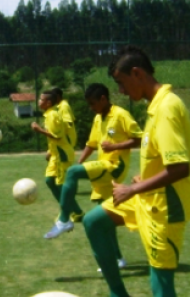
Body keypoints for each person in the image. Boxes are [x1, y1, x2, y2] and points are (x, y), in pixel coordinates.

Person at [83, 46, 190, 297]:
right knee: (94, 221)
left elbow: (179, 167)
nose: (119, 92)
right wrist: (140, 182)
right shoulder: (154, 107)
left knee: (160, 283)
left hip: (166, 206)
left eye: (120, 82)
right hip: (148, 196)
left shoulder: (168, 108)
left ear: (137, 74)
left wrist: (134, 189)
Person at [44, 83, 143, 273]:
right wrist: (80, 162)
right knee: (104, 219)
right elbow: (91, 144)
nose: (91, 108)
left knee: (71, 174)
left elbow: (139, 138)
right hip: (103, 173)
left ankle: (64, 219)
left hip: (114, 167)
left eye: (93, 103)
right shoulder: (99, 118)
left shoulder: (121, 115)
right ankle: (119, 259)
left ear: (103, 99)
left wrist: (114, 147)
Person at [31, 90, 74, 226]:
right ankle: (66, 209)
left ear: (48, 102)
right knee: (49, 180)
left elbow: (58, 136)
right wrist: (50, 150)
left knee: (61, 185)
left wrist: (39, 130)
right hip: (56, 154)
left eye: (41, 99)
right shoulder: (49, 114)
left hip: (62, 154)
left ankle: (68, 212)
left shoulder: (53, 115)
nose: (38, 101)